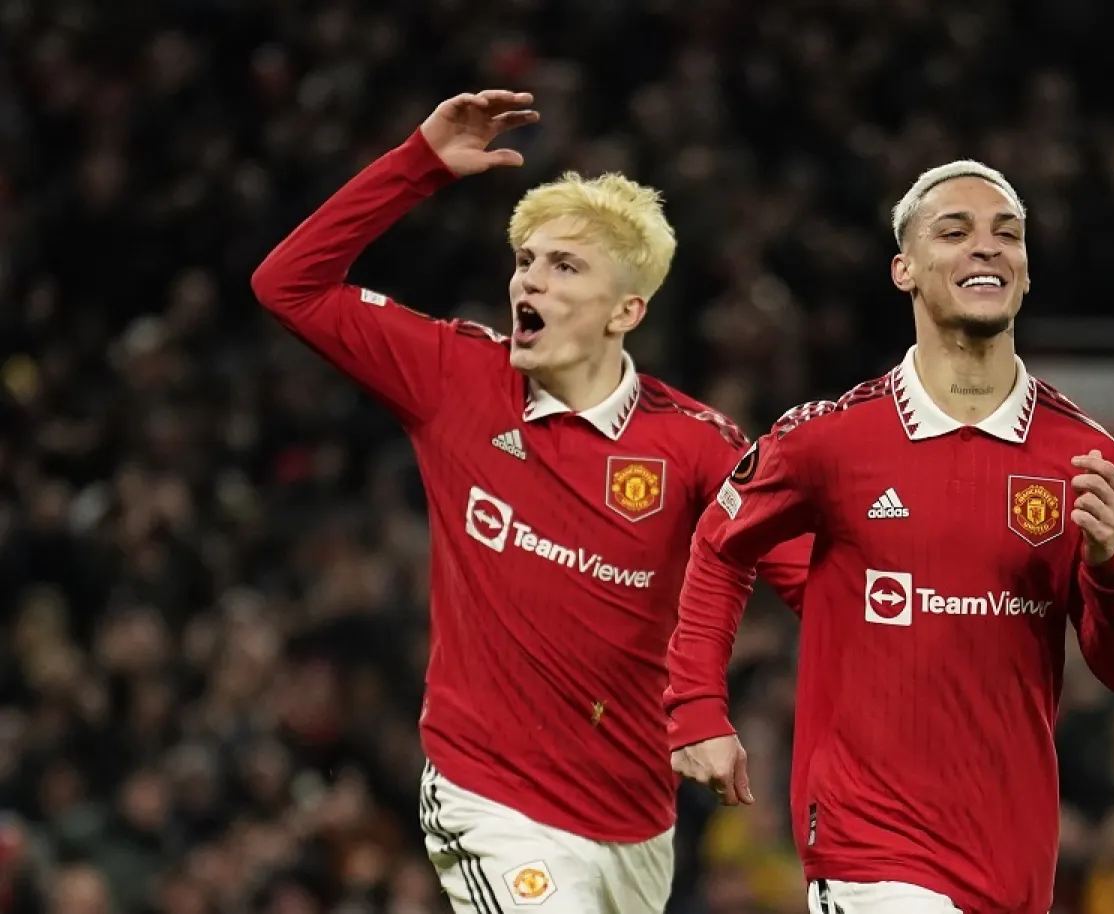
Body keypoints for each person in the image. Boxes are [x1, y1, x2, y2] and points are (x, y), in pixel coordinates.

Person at [251, 89, 809, 914]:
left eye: (564, 266)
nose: (529, 281)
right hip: (491, 803)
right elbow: (286, 286)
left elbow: (819, 586)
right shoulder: (456, 377)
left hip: (637, 828)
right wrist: (417, 166)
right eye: (525, 260)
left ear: (628, 310)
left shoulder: (696, 444)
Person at [664, 161, 1114, 914]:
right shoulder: (830, 441)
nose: (986, 248)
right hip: (869, 848)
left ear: (1026, 274)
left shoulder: (1085, 458)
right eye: (955, 231)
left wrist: (1113, 562)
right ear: (904, 268)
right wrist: (696, 707)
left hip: (1013, 859)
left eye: (1007, 235)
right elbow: (719, 543)